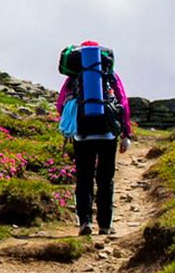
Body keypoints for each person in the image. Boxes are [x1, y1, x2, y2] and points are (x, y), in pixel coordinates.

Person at [56, 40, 132, 236]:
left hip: (82, 134)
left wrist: (71, 125)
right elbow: (123, 102)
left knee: (84, 178)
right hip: (107, 132)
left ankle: (85, 223)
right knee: (106, 179)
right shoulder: (109, 74)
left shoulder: (73, 77)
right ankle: (105, 225)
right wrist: (126, 134)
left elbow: (60, 105)